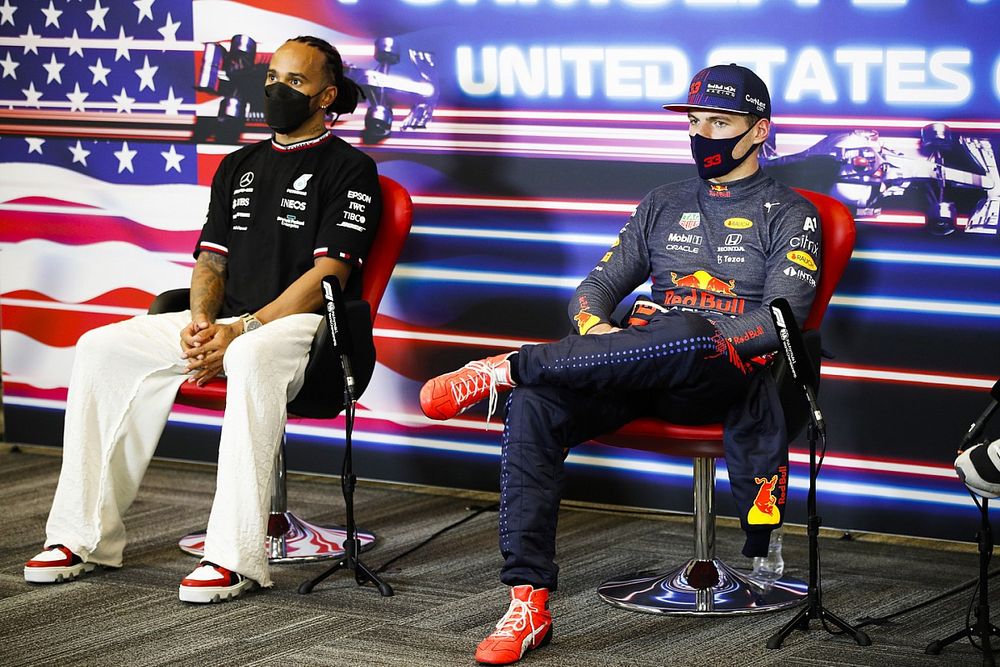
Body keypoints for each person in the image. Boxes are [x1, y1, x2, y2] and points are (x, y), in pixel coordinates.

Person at [420, 64, 821, 665]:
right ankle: (527, 600)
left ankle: (509, 367)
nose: (702, 133)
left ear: (759, 131)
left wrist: (704, 337)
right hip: (637, 365)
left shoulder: (791, 211)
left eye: (720, 121)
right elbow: (596, 287)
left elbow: (781, 319)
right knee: (536, 406)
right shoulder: (661, 203)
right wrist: (600, 334)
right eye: (694, 121)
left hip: (720, 373)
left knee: (688, 331)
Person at [23, 36, 382, 604]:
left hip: (305, 328)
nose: (276, 90)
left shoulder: (352, 169)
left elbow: (329, 278)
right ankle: (81, 538)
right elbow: (211, 259)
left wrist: (241, 330)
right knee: (100, 347)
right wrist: (199, 323)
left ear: (327, 96)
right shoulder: (237, 165)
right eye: (273, 77)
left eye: (295, 82)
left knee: (246, 353)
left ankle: (235, 557)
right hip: (228, 323)